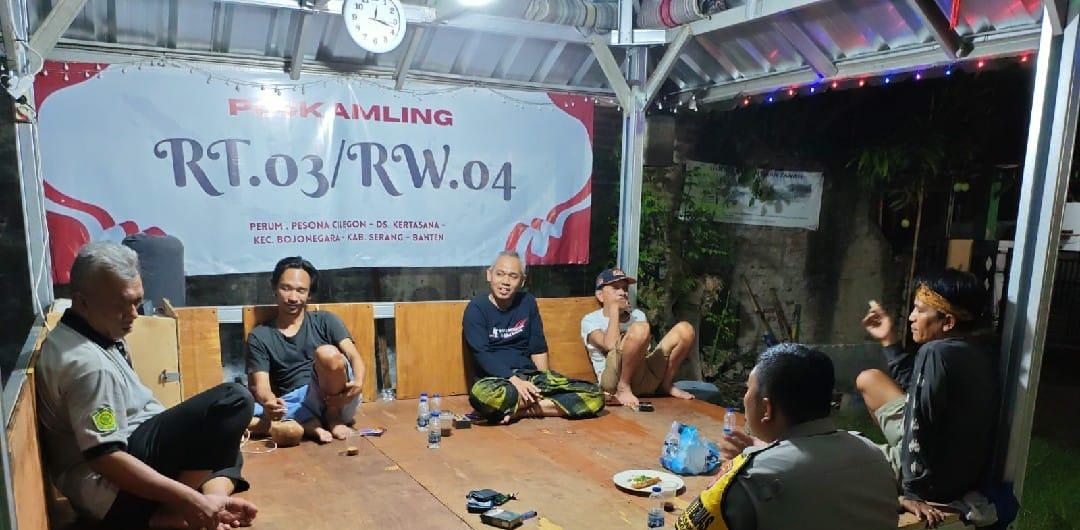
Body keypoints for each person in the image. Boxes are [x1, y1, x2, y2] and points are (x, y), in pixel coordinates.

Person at [35, 242, 257, 529]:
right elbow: (105, 458)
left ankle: (211, 502)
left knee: (225, 439)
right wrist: (189, 499)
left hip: (132, 456)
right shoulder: (88, 366)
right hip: (112, 491)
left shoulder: (93, 330)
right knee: (234, 401)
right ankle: (182, 510)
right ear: (82, 302)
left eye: (137, 301)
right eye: (121, 305)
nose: (134, 314)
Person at [677, 343, 898, 530]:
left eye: (747, 390)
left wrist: (756, 459)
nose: (745, 398)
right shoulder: (874, 456)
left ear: (767, 409)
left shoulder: (750, 478)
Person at [858, 269, 999, 527]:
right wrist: (889, 339)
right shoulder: (975, 348)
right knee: (869, 379)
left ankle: (896, 466)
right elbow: (917, 390)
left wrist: (913, 493)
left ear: (948, 322)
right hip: (961, 473)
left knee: (839, 458)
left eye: (920, 310)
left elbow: (920, 423)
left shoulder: (934, 351)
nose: (911, 317)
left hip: (932, 479)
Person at [465, 251, 605, 424]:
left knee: (595, 395)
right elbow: (482, 353)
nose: (505, 282)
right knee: (481, 396)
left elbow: (538, 348)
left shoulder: (528, 302)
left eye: (513, 276)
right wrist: (515, 381)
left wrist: (544, 382)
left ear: (522, 281)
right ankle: (542, 405)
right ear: (489, 275)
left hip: (529, 376)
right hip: (498, 383)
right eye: (500, 274)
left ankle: (522, 411)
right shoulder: (476, 308)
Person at [246, 256, 366, 444]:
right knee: (234, 412)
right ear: (274, 288)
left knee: (327, 353)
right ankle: (307, 424)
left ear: (309, 294)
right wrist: (270, 401)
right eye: (286, 288)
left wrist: (358, 382)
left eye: (301, 290)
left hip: (336, 398)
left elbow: (353, 356)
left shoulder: (325, 321)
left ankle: (331, 417)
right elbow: (261, 386)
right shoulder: (259, 336)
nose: (293, 298)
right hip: (293, 403)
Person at [580, 268, 696, 409]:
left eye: (624, 288)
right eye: (615, 288)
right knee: (640, 328)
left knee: (685, 330)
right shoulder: (590, 320)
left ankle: (666, 384)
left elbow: (644, 353)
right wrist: (614, 311)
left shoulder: (638, 315)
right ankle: (623, 387)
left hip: (642, 374)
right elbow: (610, 345)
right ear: (600, 295)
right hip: (613, 381)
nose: (622, 292)